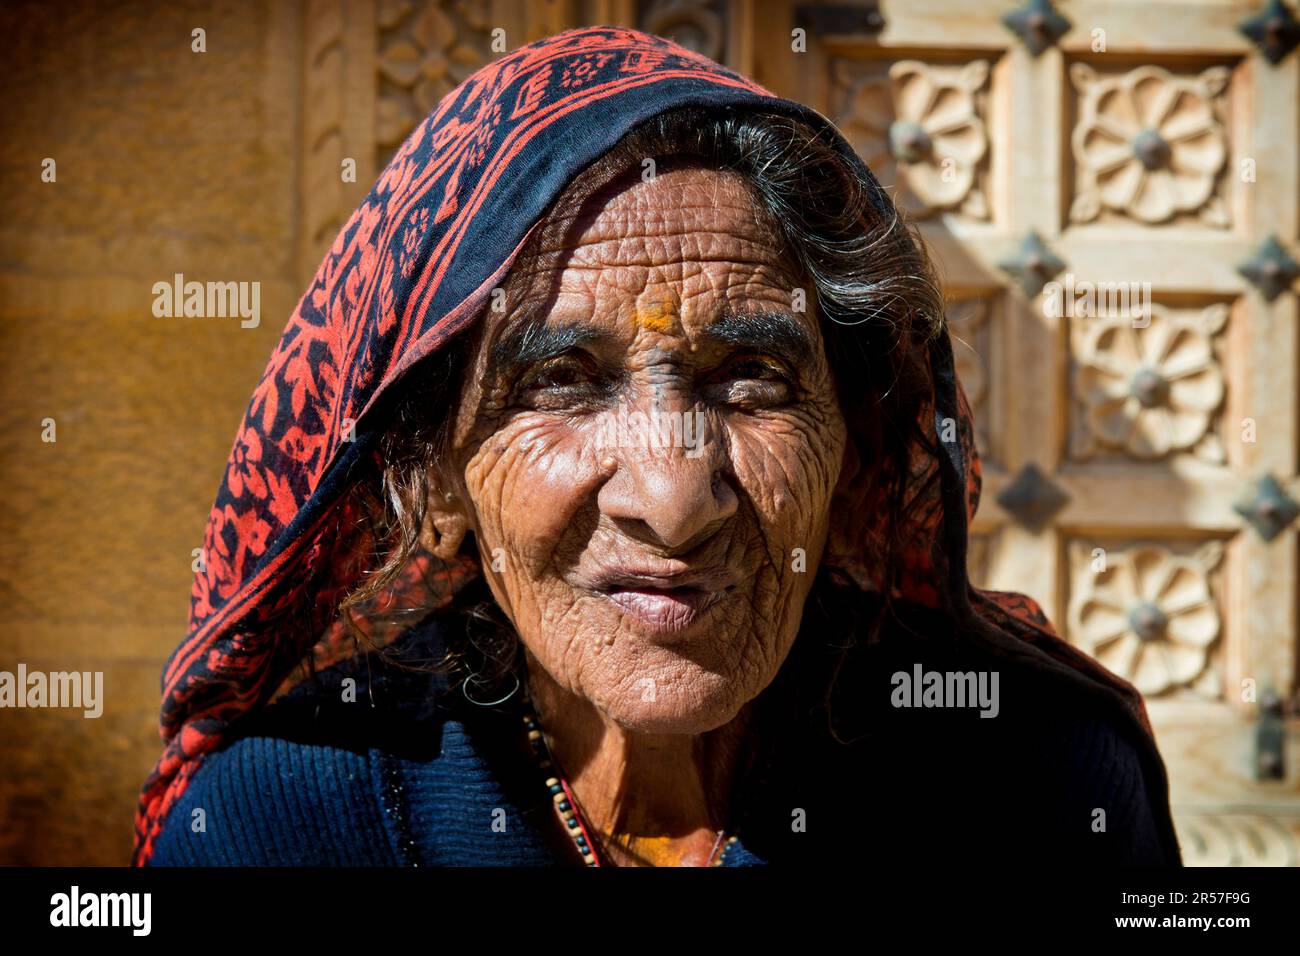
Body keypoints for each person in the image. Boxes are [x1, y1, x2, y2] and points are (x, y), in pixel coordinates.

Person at [135, 26, 1182, 867]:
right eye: (561, 381)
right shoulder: (283, 823)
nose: (673, 497)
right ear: (429, 476)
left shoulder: (1034, 781)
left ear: (854, 446)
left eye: (753, 379)